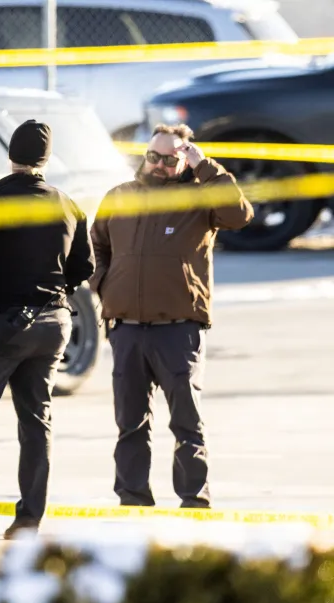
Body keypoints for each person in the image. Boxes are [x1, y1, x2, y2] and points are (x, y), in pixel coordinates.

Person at [90, 123, 253, 510]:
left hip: (178, 330)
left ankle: (194, 500)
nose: (159, 165)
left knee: (186, 424)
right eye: (153, 156)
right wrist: (103, 285)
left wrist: (206, 166)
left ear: (184, 161)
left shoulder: (200, 198)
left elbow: (240, 213)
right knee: (130, 424)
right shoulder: (120, 196)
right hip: (127, 329)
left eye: (169, 159)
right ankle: (132, 498)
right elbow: (97, 243)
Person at [0, 120, 94, 540]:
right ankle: (29, 518)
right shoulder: (67, 204)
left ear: (11, 155)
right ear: (45, 159)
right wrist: (56, 292)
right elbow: (83, 268)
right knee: (36, 418)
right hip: (53, 322)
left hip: (0, 319)